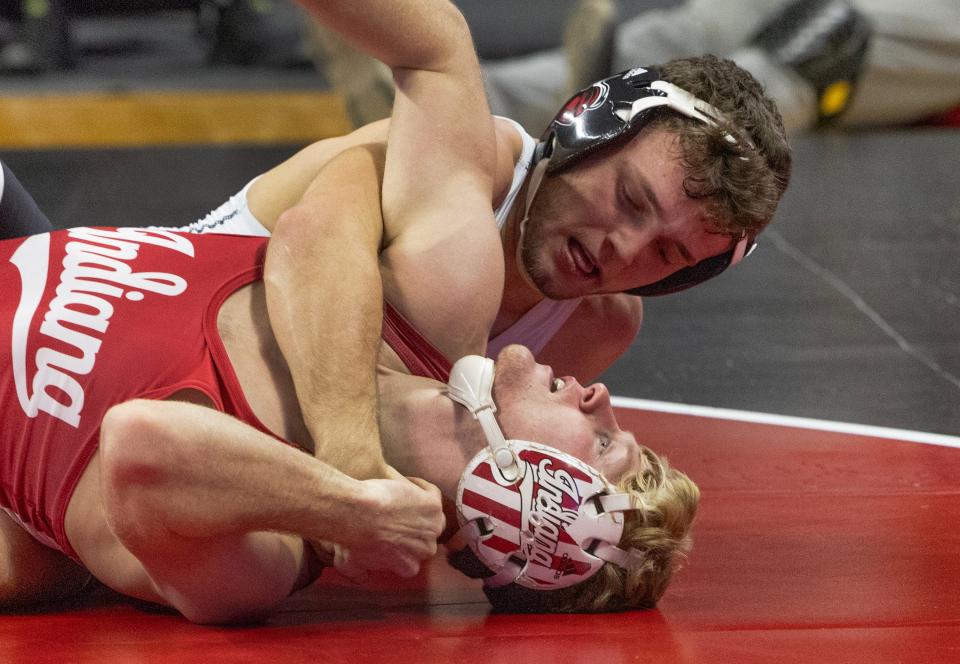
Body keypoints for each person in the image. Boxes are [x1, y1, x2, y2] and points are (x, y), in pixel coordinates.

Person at [0, 0, 697, 622]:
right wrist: (349, 454)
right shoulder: (421, 318)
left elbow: (139, 444)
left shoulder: (268, 560)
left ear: (532, 514)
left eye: (604, 443)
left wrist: (345, 506)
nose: (604, 395)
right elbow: (321, 221)